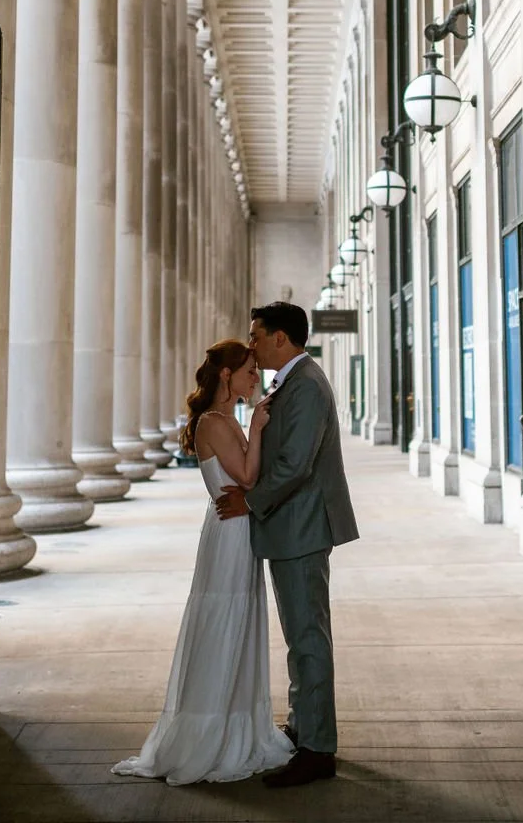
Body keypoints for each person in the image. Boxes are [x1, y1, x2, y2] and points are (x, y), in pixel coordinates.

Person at [111, 340, 294, 786]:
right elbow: (248, 477)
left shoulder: (226, 419)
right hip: (229, 533)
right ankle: (211, 734)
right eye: (249, 370)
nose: (257, 376)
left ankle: (235, 725)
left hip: (235, 529)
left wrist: (252, 429)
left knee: (239, 620)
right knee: (223, 622)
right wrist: (260, 428)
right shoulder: (215, 422)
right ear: (226, 375)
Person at [216, 301, 359, 788]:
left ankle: (318, 749)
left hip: (302, 528)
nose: (250, 343)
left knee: (308, 638)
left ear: (281, 338)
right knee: (301, 638)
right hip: (292, 528)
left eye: (256, 335)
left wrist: (250, 502)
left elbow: (295, 464)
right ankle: (304, 727)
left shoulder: (307, 387)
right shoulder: (292, 382)